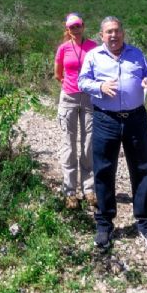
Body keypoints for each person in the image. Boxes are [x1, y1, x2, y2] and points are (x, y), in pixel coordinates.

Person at [77, 16, 147, 251]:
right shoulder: (94, 56)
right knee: (104, 170)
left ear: (123, 33)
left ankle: (145, 223)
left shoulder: (137, 54)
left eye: (116, 31)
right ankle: (104, 224)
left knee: (142, 169)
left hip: (136, 118)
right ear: (101, 35)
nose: (113, 35)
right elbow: (82, 81)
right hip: (106, 118)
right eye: (108, 32)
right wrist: (100, 87)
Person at [54, 12, 98, 209]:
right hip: (69, 98)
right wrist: (69, 86)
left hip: (89, 98)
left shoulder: (93, 47)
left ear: (83, 26)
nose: (75, 29)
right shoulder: (63, 48)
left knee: (89, 143)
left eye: (78, 25)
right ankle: (70, 191)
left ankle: (89, 189)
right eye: (72, 26)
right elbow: (58, 74)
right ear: (67, 28)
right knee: (69, 144)